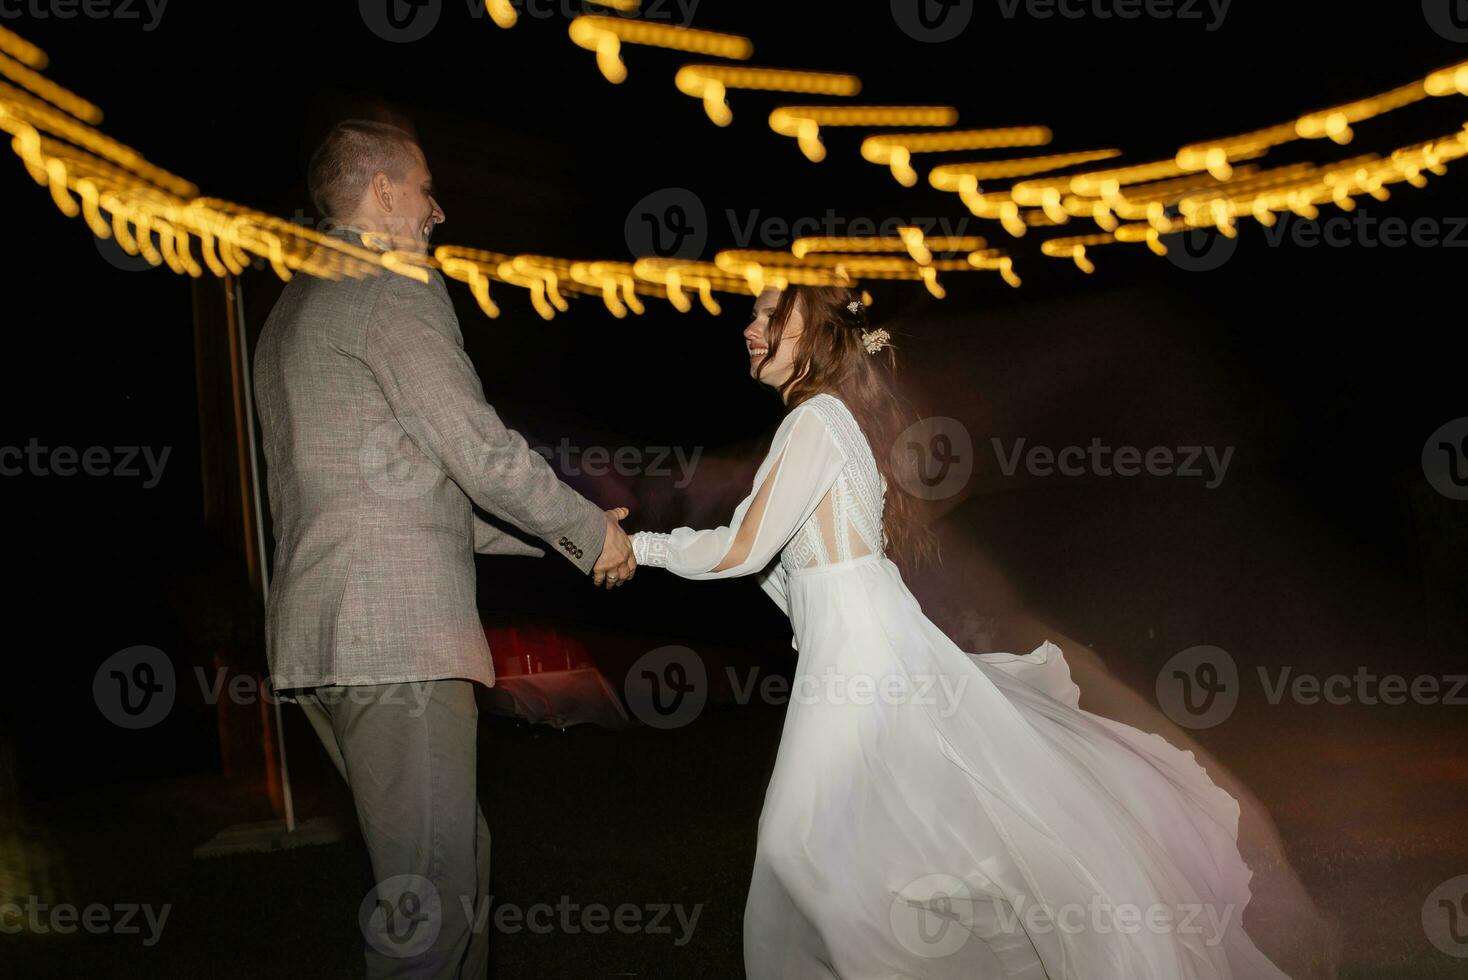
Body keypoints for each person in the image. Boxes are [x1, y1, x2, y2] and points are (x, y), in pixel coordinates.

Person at [629, 284, 1292, 979]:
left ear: (819, 330)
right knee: (885, 841)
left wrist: (636, 550)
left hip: (863, 657)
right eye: (755, 314)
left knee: (802, 846)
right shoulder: (825, 420)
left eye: (771, 315)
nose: (750, 327)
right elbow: (802, 567)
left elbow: (742, 549)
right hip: (861, 647)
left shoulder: (815, 422)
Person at [252, 118, 636, 979]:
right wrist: (583, 528)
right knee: (426, 900)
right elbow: (477, 449)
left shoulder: (294, 307)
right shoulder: (392, 284)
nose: (437, 208)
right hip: (399, 648)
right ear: (382, 191)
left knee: (451, 866)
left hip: (324, 641)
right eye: (424, 187)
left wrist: (569, 544)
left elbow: (408, 496)